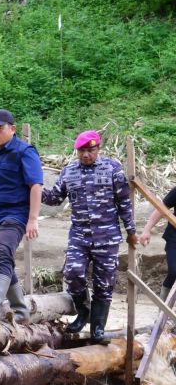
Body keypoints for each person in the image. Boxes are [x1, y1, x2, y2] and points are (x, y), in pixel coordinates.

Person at [41, 130, 137, 342]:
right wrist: (35, 188)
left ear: (98, 149)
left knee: (104, 284)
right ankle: (83, 311)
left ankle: (98, 330)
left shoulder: (112, 169)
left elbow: (124, 202)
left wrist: (131, 231)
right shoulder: (69, 171)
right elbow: (56, 197)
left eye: (90, 150)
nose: (86, 155)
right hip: (79, 236)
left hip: (107, 236)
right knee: (73, 273)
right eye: (82, 151)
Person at [0, 109, 43, 323]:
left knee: (2, 252)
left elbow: (36, 185)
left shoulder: (25, 152)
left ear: (12, 129)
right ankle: (21, 311)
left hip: (15, 214)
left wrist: (33, 219)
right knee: (0, 261)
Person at [138, 185, 176, 301]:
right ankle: (163, 311)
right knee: (174, 271)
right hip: (174, 238)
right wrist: (146, 230)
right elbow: (161, 209)